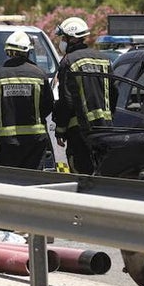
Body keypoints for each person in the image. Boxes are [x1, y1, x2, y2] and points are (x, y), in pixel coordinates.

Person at [54, 16, 116, 174]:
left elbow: (66, 100)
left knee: (82, 174)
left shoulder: (68, 61)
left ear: (73, 39)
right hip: (105, 128)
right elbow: (114, 93)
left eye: (64, 38)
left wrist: (60, 129)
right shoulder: (104, 59)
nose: (62, 42)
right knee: (103, 172)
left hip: (79, 129)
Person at [0, 30, 53, 170]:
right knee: (33, 178)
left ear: (7, 52)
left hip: (8, 140)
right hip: (35, 139)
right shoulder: (39, 74)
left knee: (10, 179)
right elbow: (48, 105)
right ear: (28, 51)